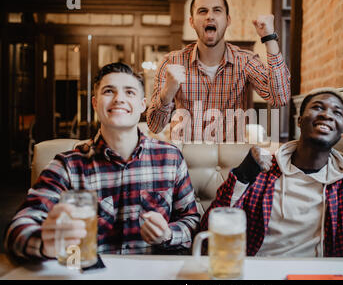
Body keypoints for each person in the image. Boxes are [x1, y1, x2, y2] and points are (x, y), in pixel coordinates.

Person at [4, 62, 200, 261]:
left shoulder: (170, 158)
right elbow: (17, 229)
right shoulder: (67, 166)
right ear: (95, 103)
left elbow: (192, 221)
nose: (119, 99)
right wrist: (46, 244)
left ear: (142, 106)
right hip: (86, 273)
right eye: (109, 91)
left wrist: (168, 234)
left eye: (130, 92)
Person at [200, 88, 343, 257]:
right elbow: (208, 231)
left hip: (320, 272)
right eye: (318, 107)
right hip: (259, 273)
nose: (328, 115)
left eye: (337, 113)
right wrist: (243, 175)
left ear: (340, 131)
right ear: (300, 120)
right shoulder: (262, 174)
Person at [147, 0, 291, 142]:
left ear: (228, 20)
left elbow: (280, 98)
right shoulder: (171, 62)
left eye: (217, 10)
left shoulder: (245, 61)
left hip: (230, 160)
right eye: (202, 11)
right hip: (187, 160)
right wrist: (167, 93)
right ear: (192, 22)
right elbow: (155, 127)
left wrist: (269, 38)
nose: (209, 16)